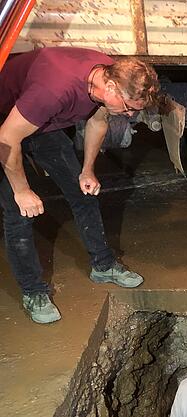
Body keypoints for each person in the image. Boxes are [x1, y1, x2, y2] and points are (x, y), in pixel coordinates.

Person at [0, 47, 160, 324]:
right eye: (127, 108)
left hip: (42, 125)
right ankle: (33, 292)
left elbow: (99, 120)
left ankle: (103, 265)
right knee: (19, 213)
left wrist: (87, 171)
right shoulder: (54, 90)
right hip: (5, 124)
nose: (129, 115)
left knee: (83, 192)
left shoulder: (111, 76)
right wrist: (22, 190)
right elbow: (6, 139)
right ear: (109, 87)